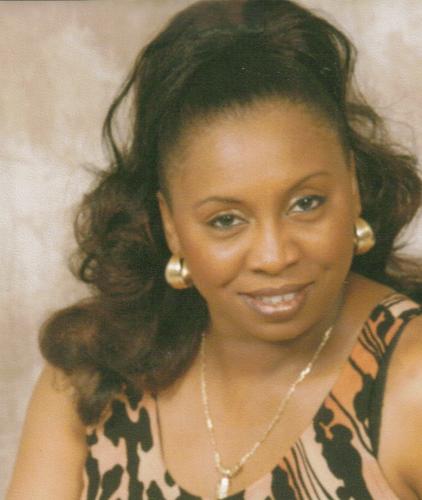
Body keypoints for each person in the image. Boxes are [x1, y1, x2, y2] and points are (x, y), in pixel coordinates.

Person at [7, 0, 422, 498]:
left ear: (352, 187)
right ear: (171, 225)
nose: (275, 255)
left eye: (306, 203)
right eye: (226, 220)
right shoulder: (94, 375)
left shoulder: (409, 383)